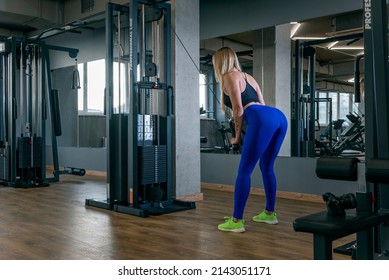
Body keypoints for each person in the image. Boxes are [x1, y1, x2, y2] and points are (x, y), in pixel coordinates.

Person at [212, 47, 288, 233]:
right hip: (277, 116)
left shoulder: (229, 77)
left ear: (219, 62)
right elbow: (262, 103)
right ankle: (269, 214)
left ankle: (236, 221)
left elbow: (238, 109)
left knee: (244, 170)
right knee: (267, 167)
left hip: (259, 117)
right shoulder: (249, 77)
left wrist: (236, 137)